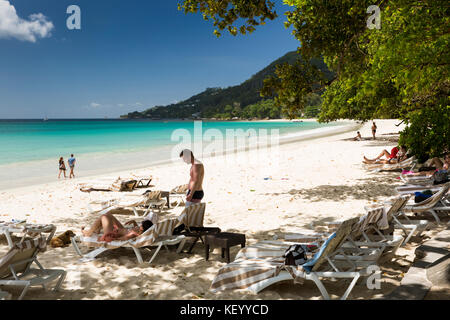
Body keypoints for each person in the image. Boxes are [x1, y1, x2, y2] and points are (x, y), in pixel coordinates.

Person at [81, 212, 153, 242]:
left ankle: (89, 233)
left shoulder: (133, 234)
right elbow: (136, 230)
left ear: (142, 228)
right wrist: (134, 222)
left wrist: (114, 238)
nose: (140, 224)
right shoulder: (139, 231)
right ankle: (96, 230)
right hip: (121, 229)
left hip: (113, 233)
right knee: (108, 214)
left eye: (141, 224)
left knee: (104, 217)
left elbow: (125, 237)